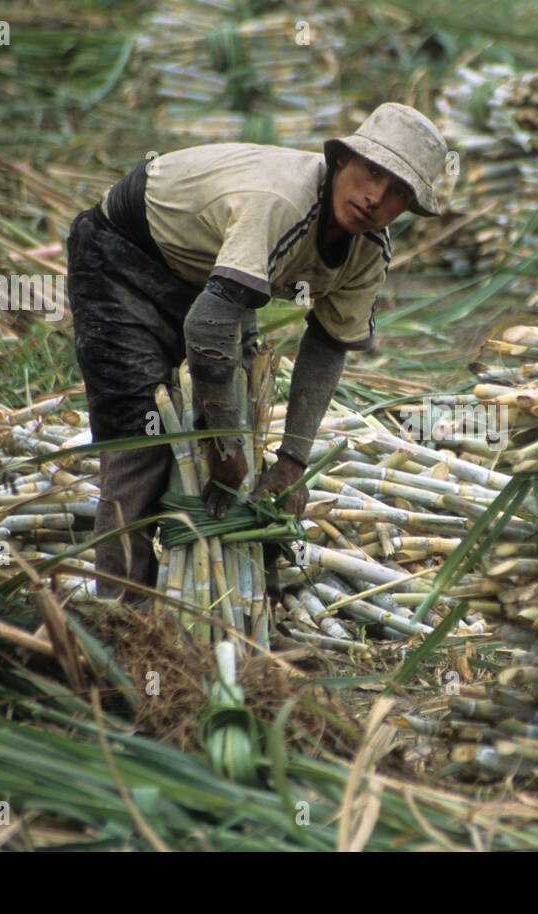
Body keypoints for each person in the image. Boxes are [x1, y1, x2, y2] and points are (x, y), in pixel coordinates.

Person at [65, 103, 448, 602]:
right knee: (143, 438)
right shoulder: (283, 203)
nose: (376, 198)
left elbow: (329, 344)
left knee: (243, 438)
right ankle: (125, 620)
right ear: (341, 162)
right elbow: (208, 326)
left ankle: (231, 617)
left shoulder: (369, 249)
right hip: (124, 254)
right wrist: (222, 446)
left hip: (214, 276)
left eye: (398, 191)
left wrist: (292, 459)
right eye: (372, 173)